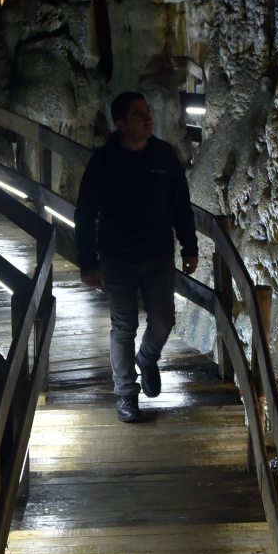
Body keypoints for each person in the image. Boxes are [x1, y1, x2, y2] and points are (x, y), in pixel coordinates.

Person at [75, 91, 199, 422]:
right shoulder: (104, 162)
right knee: (123, 325)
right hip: (117, 258)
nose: (147, 119)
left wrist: (189, 246)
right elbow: (85, 214)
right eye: (137, 115)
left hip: (158, 255)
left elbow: (180, 205)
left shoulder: (164, 156)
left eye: (147, 112)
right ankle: (127, 395)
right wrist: (88, 263)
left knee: (163, 321)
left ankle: (147, 358)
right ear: (120, 123)